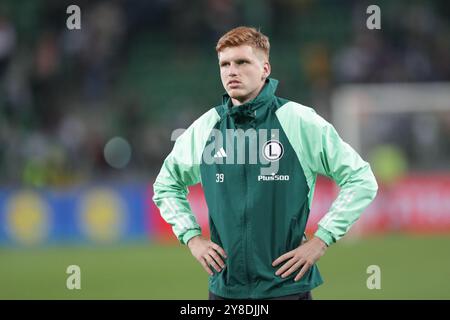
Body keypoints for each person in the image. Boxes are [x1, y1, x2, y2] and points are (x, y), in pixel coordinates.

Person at [153, 26, 378, 300]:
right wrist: (192, 238)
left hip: (287, 288)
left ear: (265, 69)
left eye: (242, 62)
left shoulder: (298, 120)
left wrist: (322, 239)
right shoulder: (206, 127)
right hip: (225, 290)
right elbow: (166, 185)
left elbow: (361, 179)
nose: (231, 71)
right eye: (224, 64)